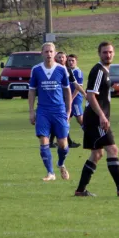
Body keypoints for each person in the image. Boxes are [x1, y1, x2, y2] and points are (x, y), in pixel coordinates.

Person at [75, 41, 119, 197]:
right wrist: (102, 116)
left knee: (97, 154)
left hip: (95, 118)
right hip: (95, 118)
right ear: (99, 54)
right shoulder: (98, 71)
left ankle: (80, 190)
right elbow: (91, 96)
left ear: (114, 53)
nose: (108, 55)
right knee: (112, 149)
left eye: (110, 52)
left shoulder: (107, 71)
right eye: (105, 52)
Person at [28, 42, 72, 181]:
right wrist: (31, 111)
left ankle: (61, 163)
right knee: (43, 140)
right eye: (46, 51)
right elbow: (32, 90)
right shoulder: (36, 70)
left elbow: (67, 90)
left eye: (51, 51)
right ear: (42, 53)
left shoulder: (61, 69)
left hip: (59, 110)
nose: (49, 54)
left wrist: (69, 109)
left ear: (55, 53)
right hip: (43, 110)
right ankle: (50, 173)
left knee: (63, 144)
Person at [49, 52, 85, 148]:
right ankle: (54, 141)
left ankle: (64, 141)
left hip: (68, 100)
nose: (61, 59)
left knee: (64, 120)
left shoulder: (69, 71)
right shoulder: (53, 69)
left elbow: (77, 85)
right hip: (57, 100)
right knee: (61, 120)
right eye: (59, 57)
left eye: (63, 57)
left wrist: (85, 94)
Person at [67, 53, 85, 148]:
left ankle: (90, 136)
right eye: (69, 60)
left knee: (80, 120)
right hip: (68, 100)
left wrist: (71, 99)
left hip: (75, 100)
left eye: (72, 61)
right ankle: (66, 141)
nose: (70, 62)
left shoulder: (78, 72)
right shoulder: (67, 71)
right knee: (66, 120)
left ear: (76, 61)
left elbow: (78, 88)